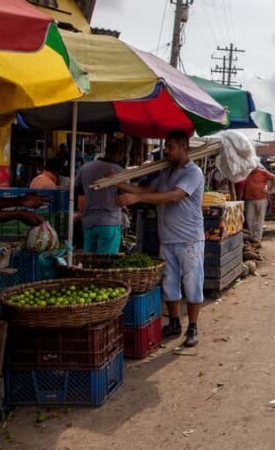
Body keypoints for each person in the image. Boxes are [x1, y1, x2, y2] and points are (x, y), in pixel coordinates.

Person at [117, 130, 205, 348]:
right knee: (170, 284)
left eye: (170, 147)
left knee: (192, 284)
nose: (166, 151)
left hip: (189, 240)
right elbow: (145, 189)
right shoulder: (165, 173)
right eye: (166, 146)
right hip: (167, 239)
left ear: (184, 147)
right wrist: (117, 182)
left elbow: (174, 195)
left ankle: (193, 326)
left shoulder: (193, 172)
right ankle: (174, 322)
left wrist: (138, 198)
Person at [75, 140, 125, 254]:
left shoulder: (86, 167)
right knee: (106, 264)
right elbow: (124, 196)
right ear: (120, 153)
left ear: (105, 151)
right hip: (109, 222)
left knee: (89, 262)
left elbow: (77, 189)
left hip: (89, 221)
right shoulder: (120, 171)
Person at [243, 166, 275, 246]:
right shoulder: (246, 173)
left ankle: (257, 239)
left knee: (259, 219)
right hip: (249, 199)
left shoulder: (263, 172)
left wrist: (269, 189)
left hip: (261, 199)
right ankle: (251, 237)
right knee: (249, 219)